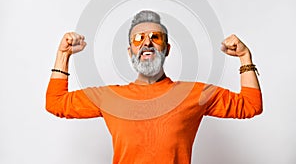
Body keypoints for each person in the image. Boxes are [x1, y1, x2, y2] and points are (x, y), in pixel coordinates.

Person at [46, 10, 263, 164]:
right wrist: (62, 55)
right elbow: (55, 103)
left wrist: (245, 57)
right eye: (139, 38)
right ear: (130, 51)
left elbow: (251, 105)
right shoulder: (110, 97)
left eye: (155, 37)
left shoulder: (194, 93)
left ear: (167, 49)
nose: (147, 43)